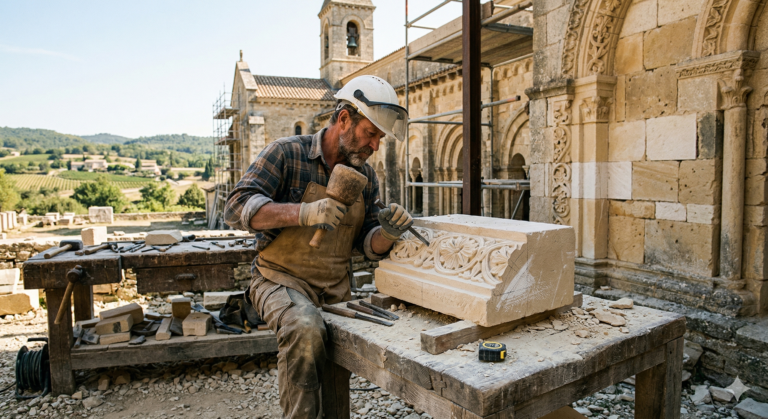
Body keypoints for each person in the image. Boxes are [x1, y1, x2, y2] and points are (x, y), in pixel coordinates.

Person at [224, 75, 414, 418]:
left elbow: (368, 245)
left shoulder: (365, 177)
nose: (375, 146)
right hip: (278, 280)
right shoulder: (287, 153)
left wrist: (387, 233)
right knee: (305, 328)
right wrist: (302, 212)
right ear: (344, 119)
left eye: (380, 138)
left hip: (334, 289)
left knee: (333, 372)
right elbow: (236, 207)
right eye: (370, 134)